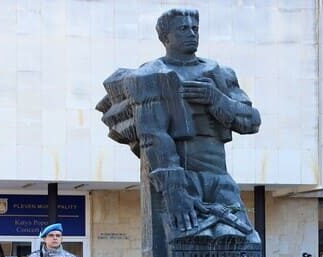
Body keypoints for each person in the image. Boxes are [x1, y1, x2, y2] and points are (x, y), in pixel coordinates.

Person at [96, 8, 261, 241]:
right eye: (183, 29)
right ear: (165, 37)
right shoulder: (150, 75)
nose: (192, 33)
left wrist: (217, 99)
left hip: (219, 178)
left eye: (195, 28)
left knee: (244, 241)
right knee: (190, 242)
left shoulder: (220, 73)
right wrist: (175, 192)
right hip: (180, 178)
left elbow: (251, 122)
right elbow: (153, 136)